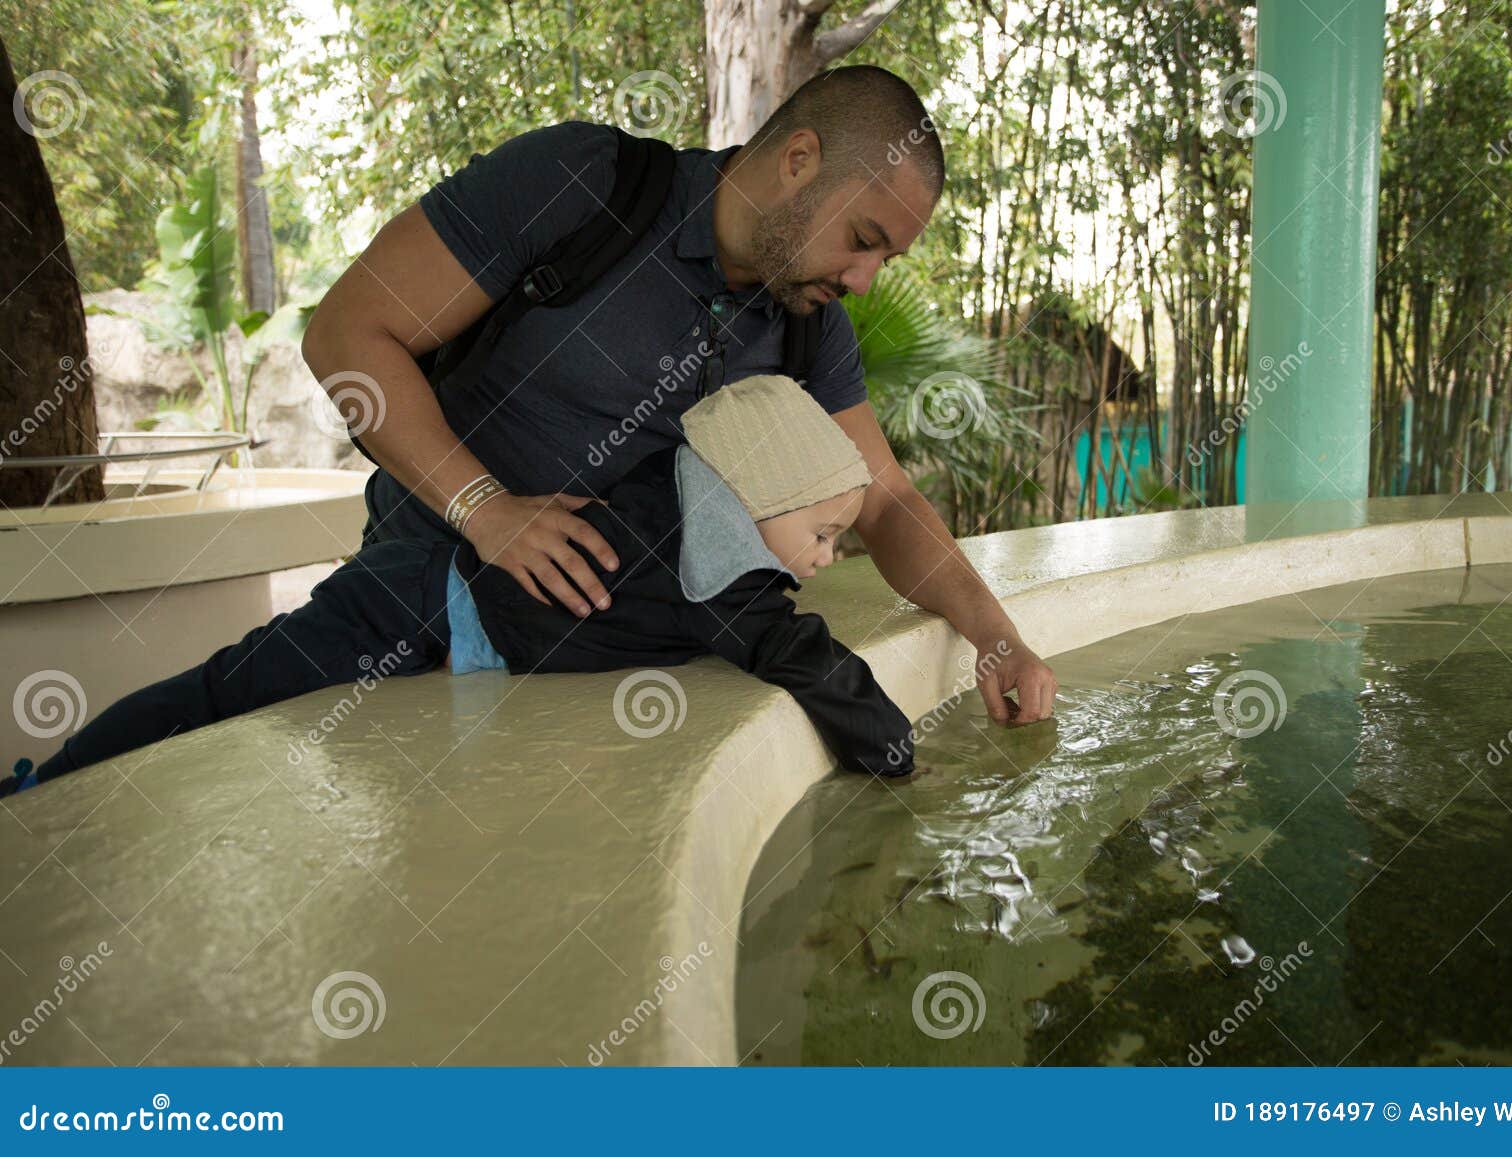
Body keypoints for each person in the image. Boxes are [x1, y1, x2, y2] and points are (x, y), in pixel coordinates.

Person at [299, 64, 1058, 730]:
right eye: (863, 238)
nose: (864, 280)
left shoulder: (810, 328)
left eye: (885, 259)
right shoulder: (581, 184)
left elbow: (886, 497)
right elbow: (345, 334)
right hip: (417, 623)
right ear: (799, 161)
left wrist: (996, 637)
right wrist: (485, 509)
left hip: (603, 694)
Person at [2, 377, 921, 796]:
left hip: (437, 614)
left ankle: (58, 774)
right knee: (231, 688)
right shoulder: (716, 572)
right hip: (406, 604)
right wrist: (899, 756)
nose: (830, 555)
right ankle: (51, 779)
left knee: (239, 689)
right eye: (822, 532)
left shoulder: (681, 508)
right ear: (746, 504)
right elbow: (811, 662)